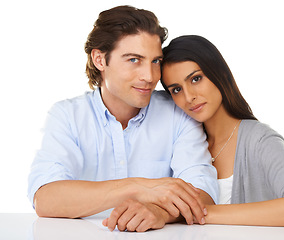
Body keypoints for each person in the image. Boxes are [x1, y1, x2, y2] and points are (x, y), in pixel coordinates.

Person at [27, 7, 218, 232]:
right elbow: (46, 199)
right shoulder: (67, 116)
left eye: (155, 61)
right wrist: (137, 187)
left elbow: (203, 194)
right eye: (134, 60)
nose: (149, 76)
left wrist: (161, 212)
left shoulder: (177, 113)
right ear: (99, 59)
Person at [161, 35, 284, 227]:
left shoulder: (259, 140)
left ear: (219, 73)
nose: (189, 97)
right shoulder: (181, 145)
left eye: (196, 79)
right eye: (176, 90)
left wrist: (202, 212)